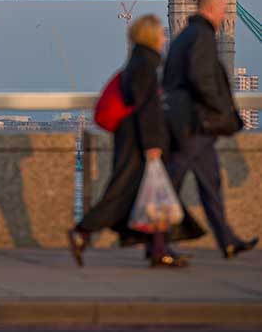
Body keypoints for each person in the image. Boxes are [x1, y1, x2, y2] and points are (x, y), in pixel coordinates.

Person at [68, 14, 204, 268]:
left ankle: (158, 250)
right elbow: (146, 107)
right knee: (123, 194)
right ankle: (82, 231)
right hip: (140, 139)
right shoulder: (145, 64)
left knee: (153, 196)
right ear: (151, 36)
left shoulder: (139, 61)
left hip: (134, 135)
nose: (165, 38)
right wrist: (152, 144)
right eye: (162, 34)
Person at [163, 0, 258, 259]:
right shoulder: (202, 37)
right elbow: (201, 78)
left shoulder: (183, 37)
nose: (226, 15)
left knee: (211, 184)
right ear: (213, 9)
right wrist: (219, 109)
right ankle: (156, 244)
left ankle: (227, 240)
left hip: (190, 126)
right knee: (168, 186)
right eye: (224, 10)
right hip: (194, 126)